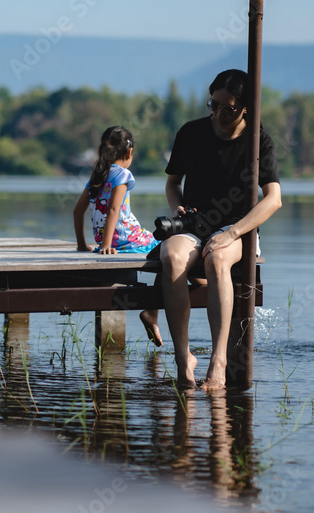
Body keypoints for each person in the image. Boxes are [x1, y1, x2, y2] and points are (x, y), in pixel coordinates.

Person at [143, 69, 281, 390]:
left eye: (228, 108)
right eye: (213, 105)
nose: (219, 114)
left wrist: (233, 233)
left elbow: (273, 200)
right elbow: (173, 183)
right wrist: (177, 207)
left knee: (217, 259)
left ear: (245, 107)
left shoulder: (259, 142)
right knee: (172, 256)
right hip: (194, 223)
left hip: (238, 228)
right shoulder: (191, 133)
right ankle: (183, 359)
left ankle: (218, 362)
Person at [73, 125, 158, 255]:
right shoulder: (123, 174)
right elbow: (113, 209)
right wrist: (107, 246)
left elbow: (77, 212)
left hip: (104, 240)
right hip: (128, 239)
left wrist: (82, 245)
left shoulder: (97, 175)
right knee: (163, 242)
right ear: (129, 152)